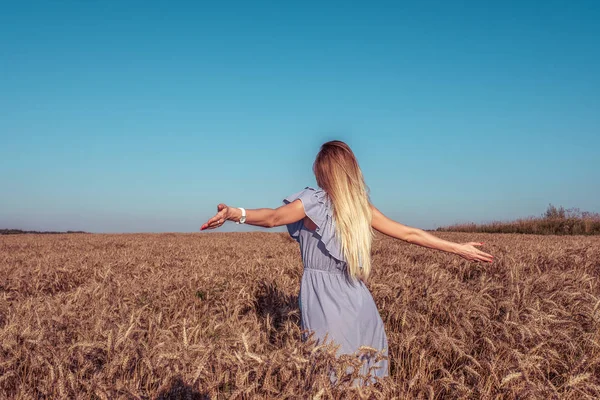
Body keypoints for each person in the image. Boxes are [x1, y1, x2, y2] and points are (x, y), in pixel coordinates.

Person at [200, 140, 494, 383]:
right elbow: (410, 234)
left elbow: (273, 218)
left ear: (325, 173)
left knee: (330, 374)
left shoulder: (314, 201)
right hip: (359, 301)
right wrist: (457, 248)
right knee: (356, 376)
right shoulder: (359, 207)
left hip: (324, 300)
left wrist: (234, 213)